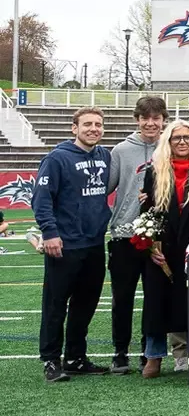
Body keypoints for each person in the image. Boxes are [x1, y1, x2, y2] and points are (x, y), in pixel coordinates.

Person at [30, 108, 114, 382]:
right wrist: (50, 232)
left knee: (85, 304)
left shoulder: (104, 155)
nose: (94, 129)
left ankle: (75, 358)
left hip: (93, 243)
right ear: (74, 128)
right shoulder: (57, 158)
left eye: (98, 125)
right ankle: (51, 360)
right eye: (88, 124)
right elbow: (41, 198)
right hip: (64, 244)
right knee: (55, 305)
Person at [138, 119, 189, 374]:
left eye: (188, 138)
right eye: (177, 138)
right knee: (155, 301)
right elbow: (147, 212)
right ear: (168, 142)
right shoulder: (155, 171)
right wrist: (152, 246)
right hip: (162, 249)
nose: (182, 142)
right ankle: (154, 355)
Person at [103, 95, 165, 375]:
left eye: (156, 118)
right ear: (137, 120)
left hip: (159, 236)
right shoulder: (120, 150)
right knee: (123, 296)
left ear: (163, 120)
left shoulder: (169, 147)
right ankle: (119, 351)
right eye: (145, 118)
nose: (150, 123)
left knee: (154, 297)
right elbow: (107, 188)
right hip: (124, 234)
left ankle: (148, 350)